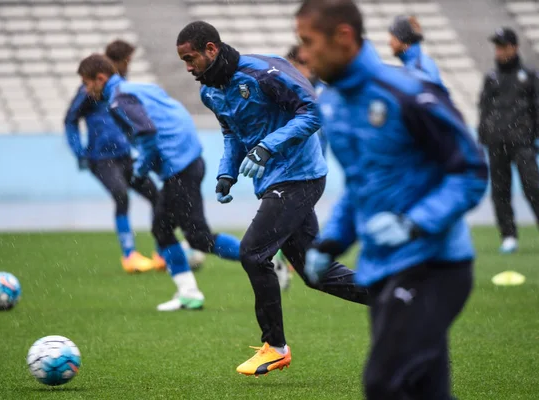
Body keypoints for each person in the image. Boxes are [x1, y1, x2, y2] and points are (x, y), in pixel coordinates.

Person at [296, 0, 488, 398]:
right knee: (425, 391)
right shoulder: (331, 104)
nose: (304, 54)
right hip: (381, 267)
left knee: (383, 383)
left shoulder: (407, 93)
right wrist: (331, 242)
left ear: (343, 37)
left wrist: (414, 223)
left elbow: (470, 172)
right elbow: (360, 185)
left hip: (434, 265)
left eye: (309, 42)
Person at [176, 21, 368, 376]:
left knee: (253, 252)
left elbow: (313, 113)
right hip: (272, 182)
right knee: (315, 273)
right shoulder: (211, 93)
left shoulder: (263, 73)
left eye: (191, 58)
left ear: (211, 49)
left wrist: (268, 147)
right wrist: (226, 172)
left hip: (302, 176)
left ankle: (275, 347)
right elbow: (232, 134)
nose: (188, 67)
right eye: (184, 61)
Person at [76, 54, 242, 311]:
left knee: (198, 237)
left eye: (87, 84)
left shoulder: (119, 100)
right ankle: (189, 293)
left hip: (180, 171)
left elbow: (147, 132)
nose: (86, 90)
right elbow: (174, 113)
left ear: (100, 78)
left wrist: (141, 170)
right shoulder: (141, 87)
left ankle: (259, 256)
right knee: (163, 229)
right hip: (187, 163)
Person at [65, 40, 164, 273]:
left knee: (156, 196)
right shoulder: (89, 91)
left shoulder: (121, 89)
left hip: (124, 155)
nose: (129, 65)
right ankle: (129, 255)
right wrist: (79, 151)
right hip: (101, 158)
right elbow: (70, 120)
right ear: (116, 62)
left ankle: (162, 252)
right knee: (121, 196)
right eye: (127, 61)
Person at [479, 27, 539, 253]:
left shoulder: (529, 76)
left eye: (502, 46)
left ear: (514, 47)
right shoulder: (492, 78)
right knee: (500, 191)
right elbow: (484, 109)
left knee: (533, 187)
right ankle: (508, 236)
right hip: (497, 143)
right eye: (497, 47)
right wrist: (484, 137)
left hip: (522, 142)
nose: (498, 51)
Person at [285, 44, 328, 156]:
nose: (310, 67)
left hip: (315, 166)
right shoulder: (282, 92)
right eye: (303, 62)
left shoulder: (325, 94)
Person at [388, 15, 444, 87]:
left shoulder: (420, 68)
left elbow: (435, 95)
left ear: (405, 42)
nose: (389, 43)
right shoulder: (416, 63)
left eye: (393, 38)